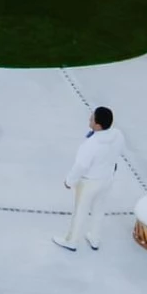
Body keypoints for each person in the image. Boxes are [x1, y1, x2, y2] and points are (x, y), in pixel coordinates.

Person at [55, 106, 125, 252]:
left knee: (80, 212)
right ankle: (95, 238)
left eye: (92, 118)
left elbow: (81, 166)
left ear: (98, 125)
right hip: (107, 179)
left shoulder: (92, 144)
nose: (89, 119)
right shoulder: (118, 135)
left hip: (89, 183)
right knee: (99, 209)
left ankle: (71, 241)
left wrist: (69, 181)